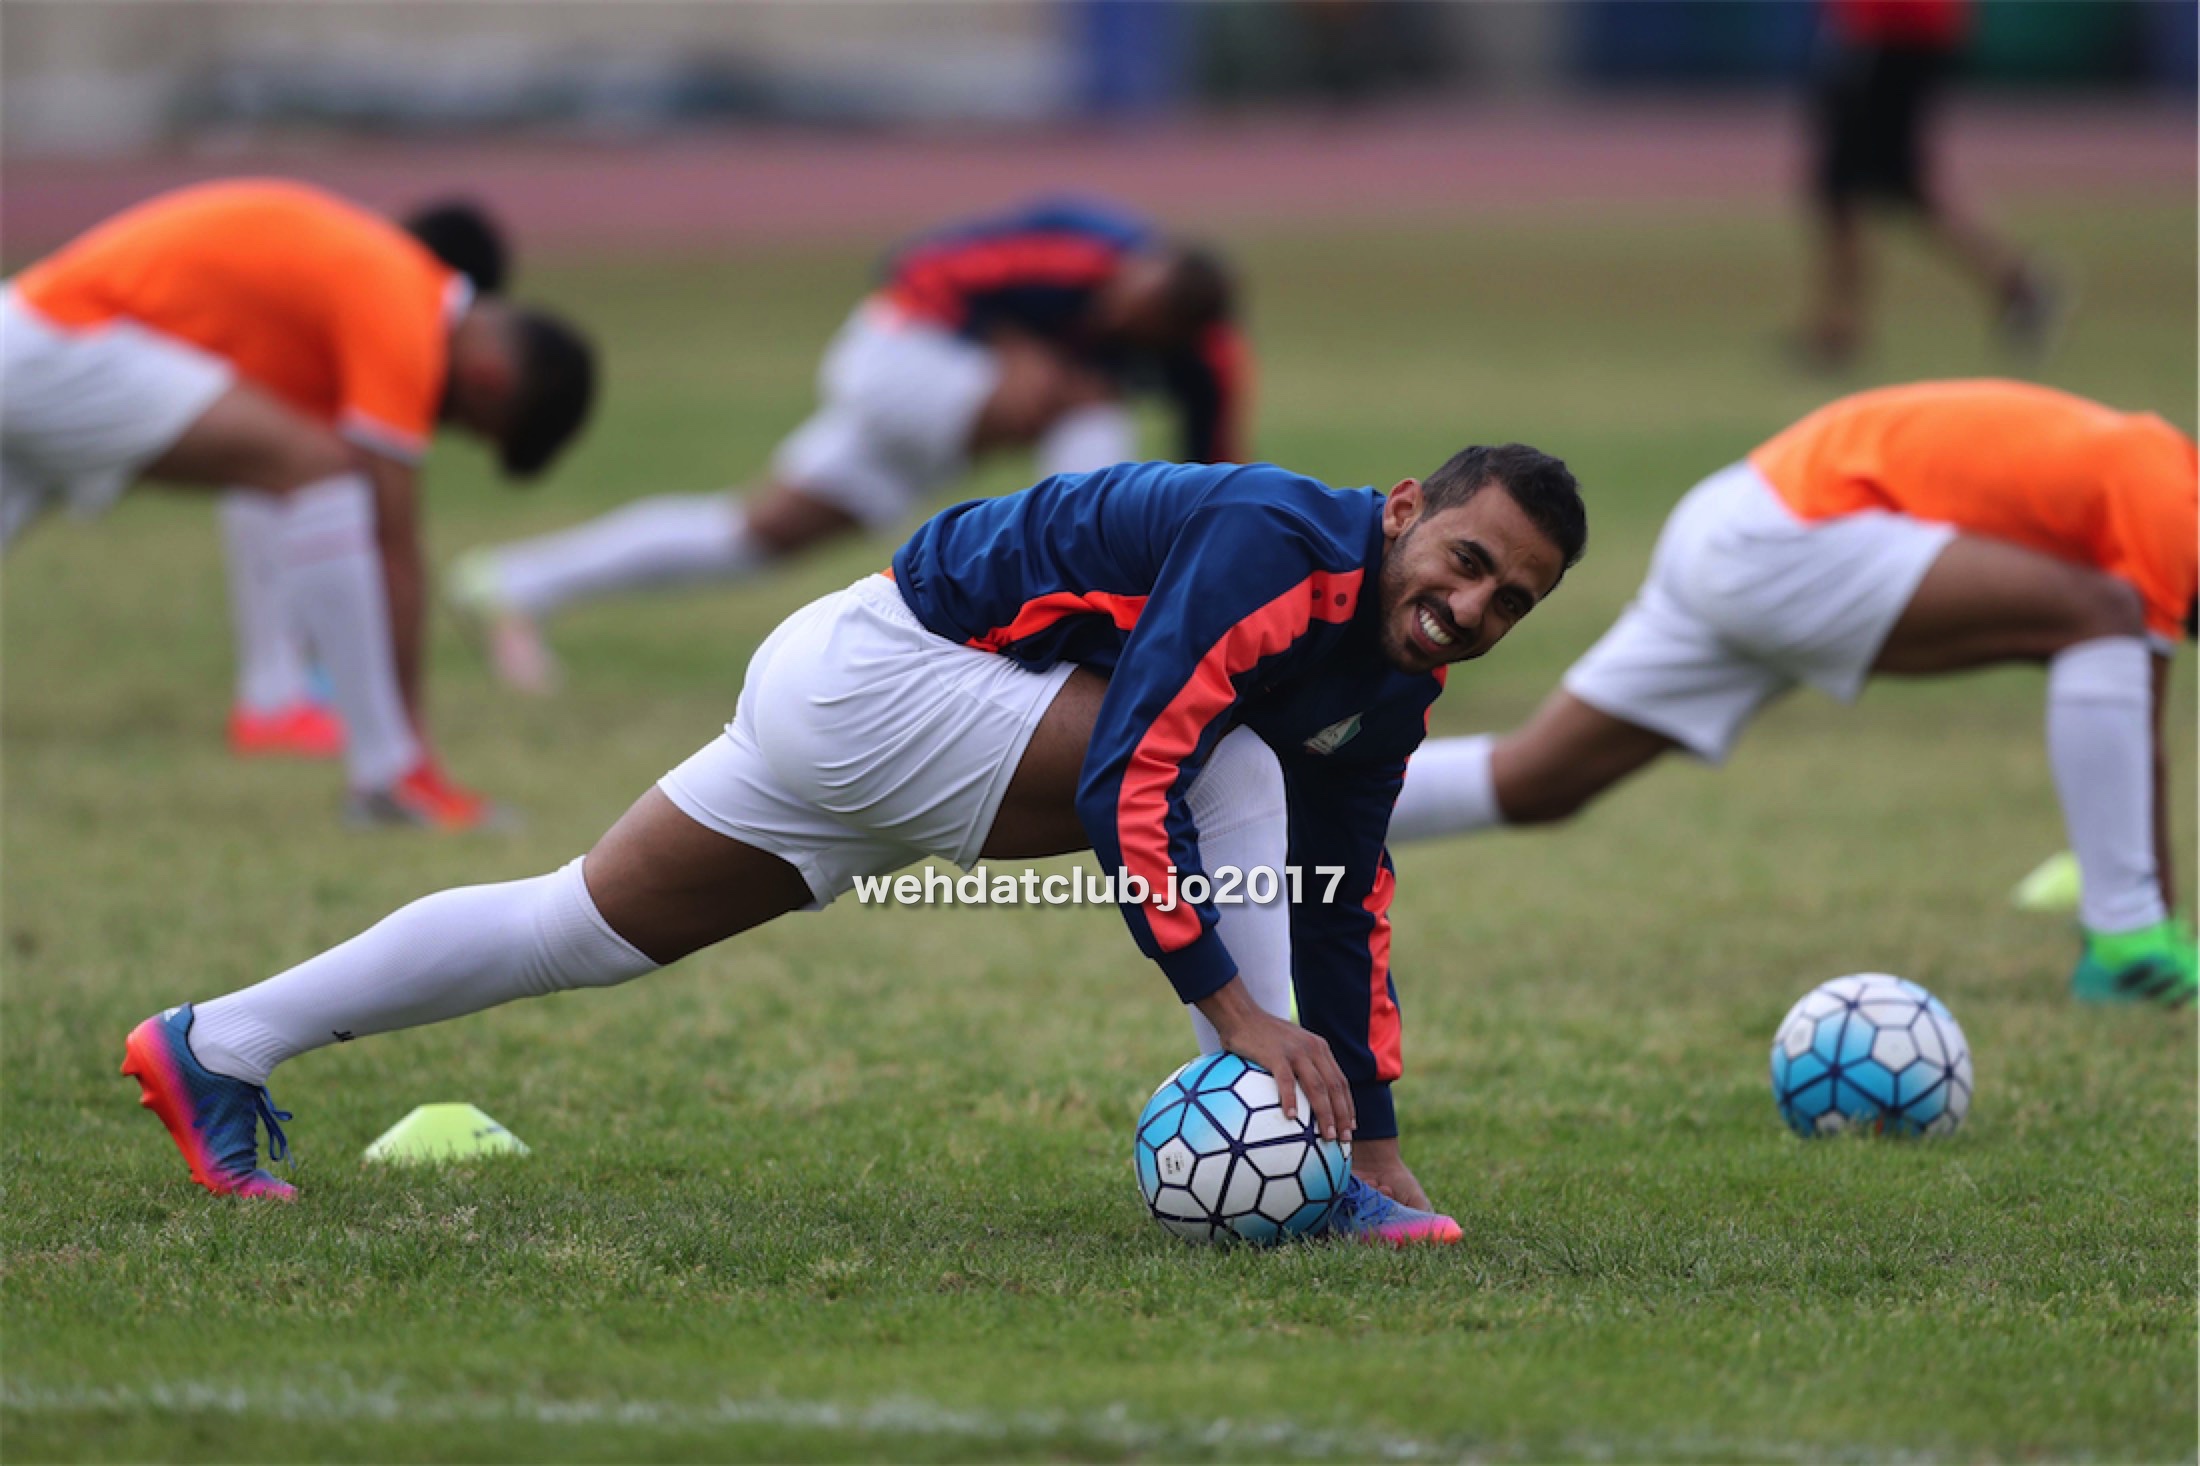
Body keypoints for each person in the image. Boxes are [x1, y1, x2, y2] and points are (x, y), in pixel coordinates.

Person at [122, 446, 1589, 1245]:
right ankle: (1293, 1166)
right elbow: (1135, 777)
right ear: (1405, 509)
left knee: (575, 926)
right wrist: (1241, 1017)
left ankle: (214, 1042)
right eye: (1467, 561)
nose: (1473, 607)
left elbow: (1344, 895)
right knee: (1230, 762)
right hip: (889, 681)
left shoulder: (1392, 676)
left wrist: (1380, 1133)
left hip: (864, 686)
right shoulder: (1279, 543)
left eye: (1510, 602)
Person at [1387, 381, 2195, 1006]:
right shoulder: (2170, 500)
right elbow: (2138, 730)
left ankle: (1322, 800)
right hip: (1793, 538)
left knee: (1538, 779)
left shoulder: (2154, 467)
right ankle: (2126, 942)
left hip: (1740, 523)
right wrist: (2149, 914)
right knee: (2102, 619)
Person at [449, 197, 1249, 693]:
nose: (1112, 318)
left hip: (945, 406)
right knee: (1086, 433)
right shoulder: (1084, 251)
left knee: (750, 536)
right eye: (1118, 300)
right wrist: (1012, 350)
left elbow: (1216, 478)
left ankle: (512, 582)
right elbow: (916, 266)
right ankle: (1080, 641)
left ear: (1178, 333)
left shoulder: (1208, 362)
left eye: (1136, 323)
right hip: (900, 358)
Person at [2, 179, 597, 827]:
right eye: (469, 427)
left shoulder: (397, 282)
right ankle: (390, 776)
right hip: (63, 346)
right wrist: (414, 733)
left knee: (298, 462)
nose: (442, 427)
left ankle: (319, 724)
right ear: (489, 382)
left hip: (30, 340)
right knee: (319, 471)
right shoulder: (406, 311)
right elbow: (393, 546)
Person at [223, 198, 515, 761]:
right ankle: (275, 694)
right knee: (291, 469)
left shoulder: (356, 265)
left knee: (300, 467)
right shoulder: (387, 294)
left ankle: (288, 684)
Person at [1797, 0, 2060, 368]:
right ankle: (2015, 282)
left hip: (1890, 30)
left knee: (1847, 187)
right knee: (1885, 186)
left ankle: (1839, 328)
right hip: (1892, 32)